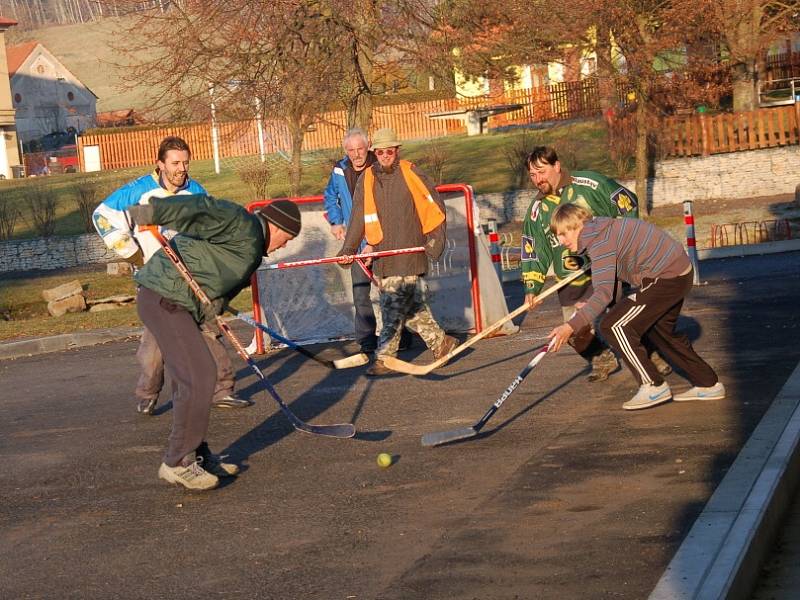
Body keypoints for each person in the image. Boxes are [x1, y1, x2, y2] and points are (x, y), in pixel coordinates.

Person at [127, 194, 302, 489]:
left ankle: (193, 454)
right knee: (200, 376)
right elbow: (202, 209)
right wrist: (155, 211)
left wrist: (213, 307)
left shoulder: (250, 251)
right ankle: (178, 462)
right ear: (273, 225)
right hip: (165, 296)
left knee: (192, 379)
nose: (285, 244)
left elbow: (212, 276)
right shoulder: (242, 224)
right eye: (287, 236)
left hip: (179, 303)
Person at [92, 136, 251, 414]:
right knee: (155, 347)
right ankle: (148, 393)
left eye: (185, 163)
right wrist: (135, 255)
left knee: (210, 332)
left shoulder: (196, 192)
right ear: (160, 164)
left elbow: (213, 227)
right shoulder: (139, 192)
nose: (181, 169)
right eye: (175, 163)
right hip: (157, 282)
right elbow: (102, 216)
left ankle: (222, 390)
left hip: (194, 278)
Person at [546, 203, 725, 411]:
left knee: (613, 326)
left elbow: (604, 293)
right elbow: (610, 289)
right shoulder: (600, 232)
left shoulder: (598, 242)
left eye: (563, 233)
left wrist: (570, 326)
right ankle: (708, 383)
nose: (561, 241)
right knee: (660, 331)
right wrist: (592, 305)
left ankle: (653, 385)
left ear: (578, 225)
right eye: (557, 236)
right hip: (678, 272)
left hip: (666, 277)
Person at [523, 145, 671, 382]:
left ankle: (651, 355)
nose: (537, 179)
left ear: (557, 166)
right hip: (570, 277)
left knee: (623, 318)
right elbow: (534, 249)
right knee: (573, 331)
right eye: (532, 175)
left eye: (541, 172)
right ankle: (602, 357)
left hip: (605, 264)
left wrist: (621, 243)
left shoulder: (590, 184)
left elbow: (627, 203)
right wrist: (532, 287)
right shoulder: (537, 210)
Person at [337, 127, 457, 376]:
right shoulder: (367, 178)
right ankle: (440, 342)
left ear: (397, 151)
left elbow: (434, 206)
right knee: (406, 304)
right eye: (379, 152)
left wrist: (435, 242)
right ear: (375, 152)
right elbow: (358, 215)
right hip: (384, 254)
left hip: (410, 251)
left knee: (392, 301)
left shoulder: (411, 172)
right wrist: (348, 248)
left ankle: (385, 358)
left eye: (389, 151)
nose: (384, 156)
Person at [323, 128, 411, 355]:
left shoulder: (380, 167)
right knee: (360, 291)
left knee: (391, 289)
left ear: (368, 146)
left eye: (360, 149)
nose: (356, 154)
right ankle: (366, 340)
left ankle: (402, 335)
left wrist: (375, 242)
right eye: (351, 150)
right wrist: (336, 221)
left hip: (384, 239)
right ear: (345, 151)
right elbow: (330, 196)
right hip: (356, 240)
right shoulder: (339, 170)